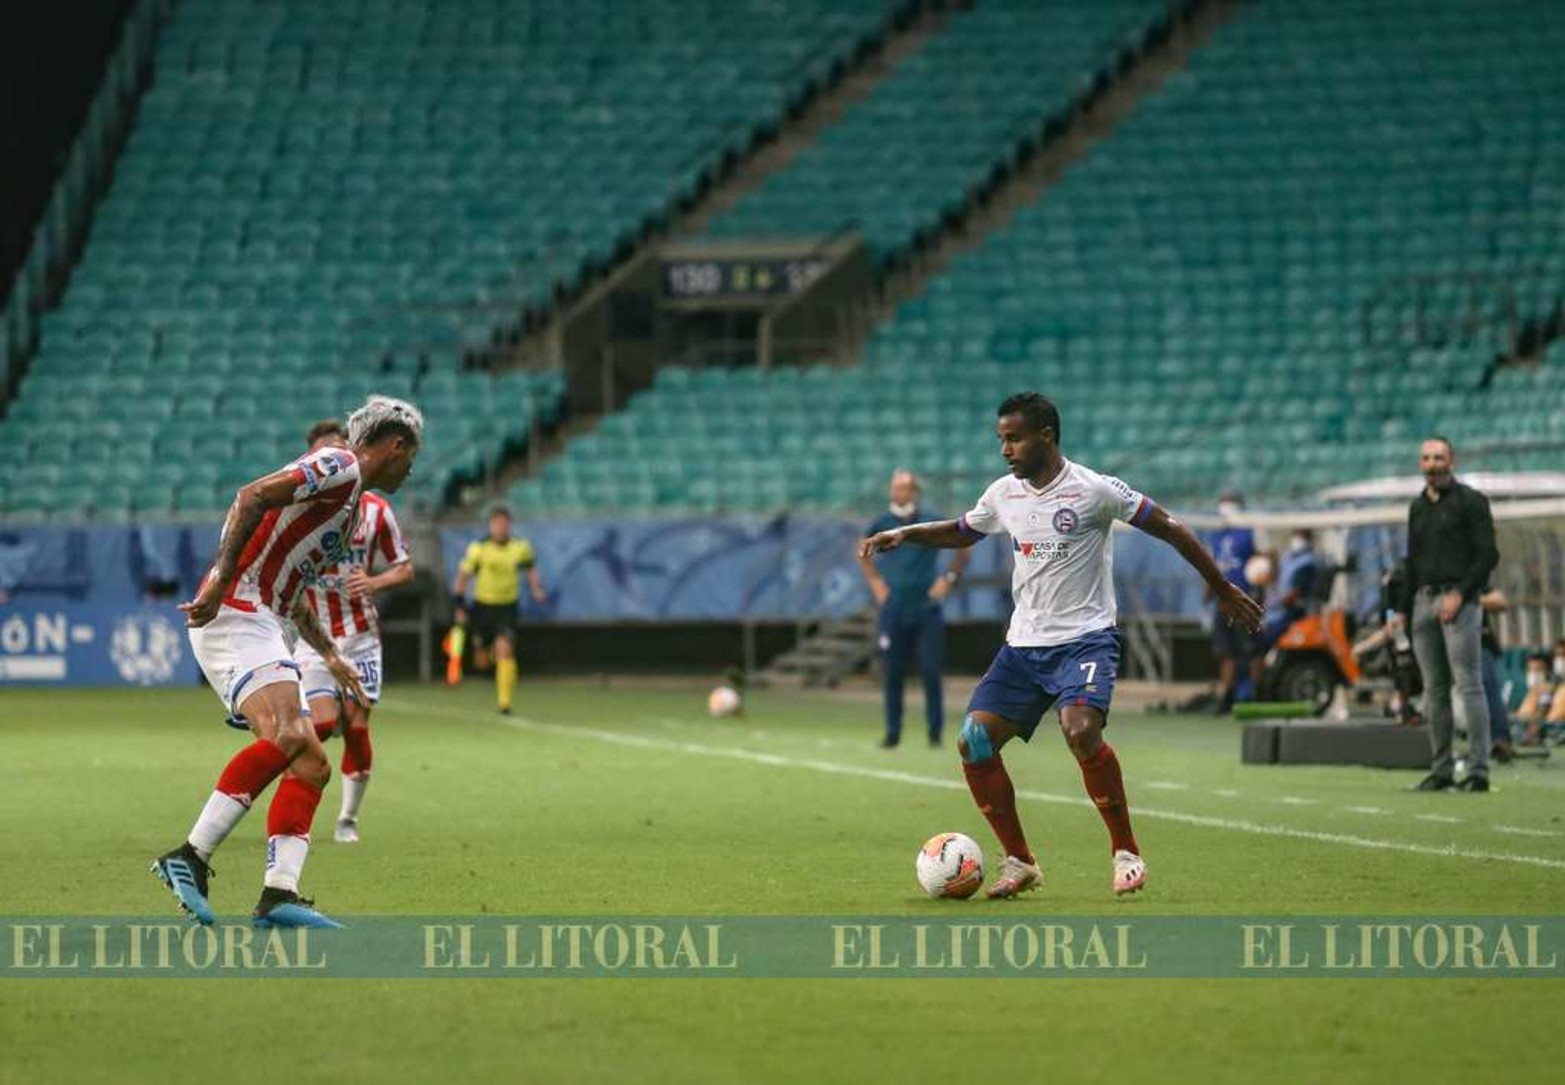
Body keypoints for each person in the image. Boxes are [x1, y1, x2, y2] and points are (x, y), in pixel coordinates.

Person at [860, 393, 1263, 898]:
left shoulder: (1094, 490)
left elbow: (1171, 529)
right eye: (1001, 439)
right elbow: (963, 532)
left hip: (1085, 640)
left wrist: (1222, 587)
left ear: (1045, 436)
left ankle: (1126, 852)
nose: (1005, 450)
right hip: (1024, 646)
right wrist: (906, 534)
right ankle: (1020, 861)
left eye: (1014, 438)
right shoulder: (1004, 493)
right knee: (973, 741)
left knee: (1079, 730)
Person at [151, 395, 423, 928]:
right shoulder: (338, 464)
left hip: (265, 618)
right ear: (395, 445)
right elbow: (250, 496)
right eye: (412, 455)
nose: (413, 467)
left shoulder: (346, 518)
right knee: (289, 735)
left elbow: (294, 593)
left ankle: (279, 894)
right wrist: (224, 581)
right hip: (236, 609)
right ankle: (189, 855)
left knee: (312, 762)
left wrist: (329, 656)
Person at [293, 419, 416, 843]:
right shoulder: (301, 508)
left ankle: (347, 818)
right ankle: (291, 799)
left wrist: (375, 581)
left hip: (360, 634)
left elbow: (405, 568)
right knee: (323, 726)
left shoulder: (377, 510)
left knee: (358, 727)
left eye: (338, 448)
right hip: (315, 637)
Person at [1398, 436, 1499, 793]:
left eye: (1439, 457)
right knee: (1434, 691)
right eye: (1426, 458)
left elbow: (1487, 554)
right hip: (1423, 602)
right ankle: (1441, 769)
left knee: (1469, 684)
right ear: (1420, 464)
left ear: (1451, 460)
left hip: (1459, 601)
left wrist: (1461, 592)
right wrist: (1402, 608)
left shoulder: (1471, 502)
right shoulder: (1417, 508)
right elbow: (1412, 560)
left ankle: (1478, 771)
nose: (1432, 463)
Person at [857, 469, 971, 748]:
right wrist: (876, 583)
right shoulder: (882, 523)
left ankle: (934, 733)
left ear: (915, 492)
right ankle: (892, 732)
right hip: (894, 608)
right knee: (892, 672)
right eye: (897, 488)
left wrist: (948, 580)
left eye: (906, 488)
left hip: (926, 607)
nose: (901, 493)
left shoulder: (928, 520)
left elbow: (963, 548)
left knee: (931, 672)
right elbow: (862, 550)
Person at [450, 506, 546, 715]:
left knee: (505, 649)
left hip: (507, 607)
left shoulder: (521, 547)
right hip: (483, 607)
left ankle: (504, 703)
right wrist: (459, 603)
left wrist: (536, 589)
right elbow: (463, 576)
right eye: (497, 524)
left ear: (509, 526)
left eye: (505, 524)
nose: (501, 528)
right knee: (481, 662)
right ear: (491, 526)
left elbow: (530, 569)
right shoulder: (479, 548)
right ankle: (491, 650)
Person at [1207, 490, 1259, 712]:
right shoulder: (1216, 535)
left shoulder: (1250, 531)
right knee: (1225, 651)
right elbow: (1211, 564)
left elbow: (1266, 558)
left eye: (1229, 502)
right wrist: (1208, 591)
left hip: (1245, 599)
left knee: (1250, 649)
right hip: (1222, 602)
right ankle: (1227, 695)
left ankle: (1253, 693)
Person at [1255, 528, 1321, 652]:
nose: (1297, 539)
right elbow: (1275, 574)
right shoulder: (1288, 557)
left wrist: (1272, 604)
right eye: (1296, 534)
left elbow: (1294, 595)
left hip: (1293, 613)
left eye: (1301, 536)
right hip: (1274, 614)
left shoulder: (1308, 562)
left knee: (1260, 644)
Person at [1477, 588, 1514, 763]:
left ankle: (1500, 739)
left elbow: (1500, 601)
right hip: (1441, 640)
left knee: (1487, 684)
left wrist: (1467, 599)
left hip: (1479, 642)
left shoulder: (1472, 573)